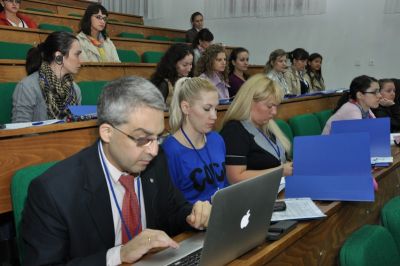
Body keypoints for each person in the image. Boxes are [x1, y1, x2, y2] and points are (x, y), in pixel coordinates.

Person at [21, 76, 212, 265]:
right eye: (142, 139)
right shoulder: (52, 192)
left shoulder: (157, 161)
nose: (153, 150)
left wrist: (193, 215)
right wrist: (119, 255)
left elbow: (173, 210)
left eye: (158, 137)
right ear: (107, 132)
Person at [163, 77, 228, 203]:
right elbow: (170, 206)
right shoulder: (170, 151)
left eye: (216, 108)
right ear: (186, 108)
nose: (214, 116)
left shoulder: (217, 140)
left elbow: (225, 185)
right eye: (207, 109)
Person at [219, 74, 292, 184]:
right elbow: (234, 178)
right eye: (269, 106)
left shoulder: (267, 125)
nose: (274, 112)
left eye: (276, 106)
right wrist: (280, 171)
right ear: (250, 102)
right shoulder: (234, 131)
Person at [12, 31, 82, 123]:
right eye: (77, 54)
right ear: (59, 57)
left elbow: (77, 126)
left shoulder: (75, 90)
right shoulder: (27, 87)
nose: (81, 61)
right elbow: (19, 131)